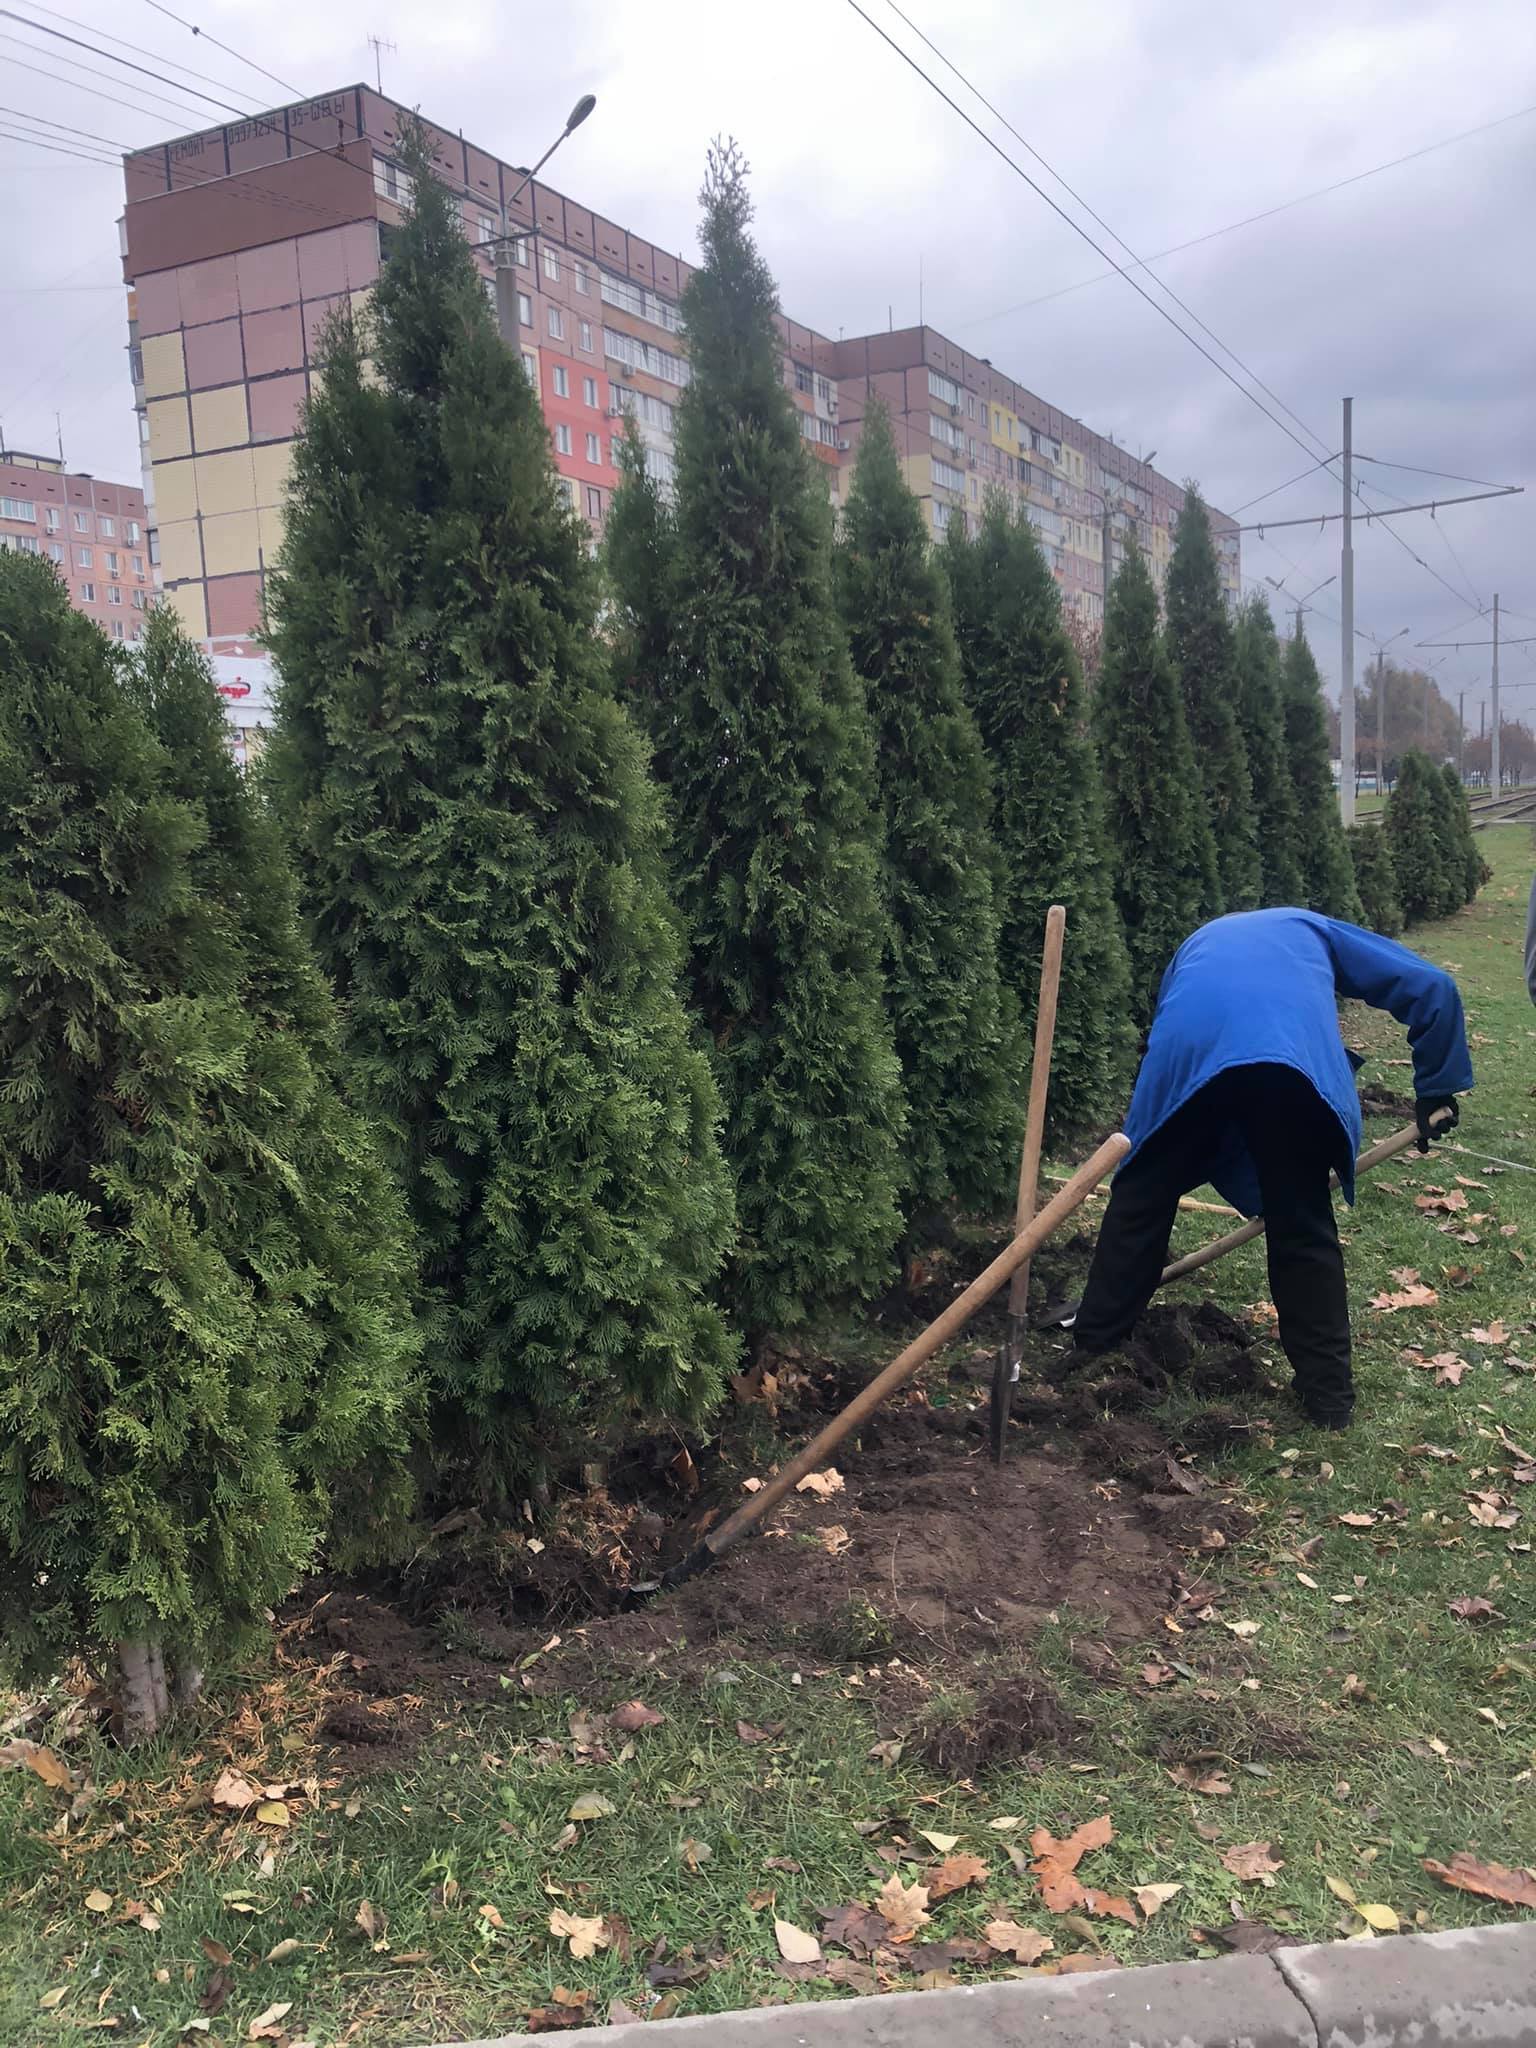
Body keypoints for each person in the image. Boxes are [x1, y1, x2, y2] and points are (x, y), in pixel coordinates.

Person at [1068, 909, 1473, 1430]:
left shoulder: (1195, 945)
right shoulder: (1314, 930)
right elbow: (1432, 986)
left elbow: (1184, 1035)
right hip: (1289, 1065)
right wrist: (1436, 1088)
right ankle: (1328, 1399)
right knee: (1300, 1224)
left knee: (1142, 1195)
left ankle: (1094, 1346)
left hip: (1189, 1052)